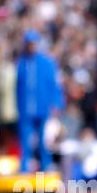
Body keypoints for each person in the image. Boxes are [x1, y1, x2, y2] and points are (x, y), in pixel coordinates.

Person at [16, 30, 64, 172]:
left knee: (44, 142)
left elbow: (54, 85)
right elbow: (18, 88)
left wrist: (57, 103)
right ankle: (24, 169)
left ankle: (46, 166)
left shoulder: (47, 63)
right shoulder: (21, 63)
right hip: (26, 110)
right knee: (25, 142)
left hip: (43, 108)